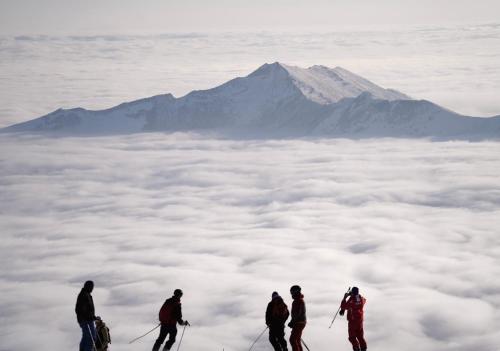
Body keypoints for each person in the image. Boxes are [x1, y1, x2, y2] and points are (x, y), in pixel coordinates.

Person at [339, 287, 367, 351]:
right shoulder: (361, 299)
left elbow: (344, 306)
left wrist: (345, 298)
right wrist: (353, 295)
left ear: (353, 293)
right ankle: (364, 348)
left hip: (353, 321)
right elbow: (364, 299)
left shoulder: (352, 301)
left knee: (352, 337)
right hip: (360, 321)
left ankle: (356, 348)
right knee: (360, 336)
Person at [75, 280, 97, 351]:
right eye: (91, 287)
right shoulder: (84, 295)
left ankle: (82, 349)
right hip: (85, 320)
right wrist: (90, 317)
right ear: (88, 287)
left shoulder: (86, 294)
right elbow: (81, 309)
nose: (92, 289)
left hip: (86, 319)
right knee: (90, 338)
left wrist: (92, 316)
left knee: (86, 337)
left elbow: (87, 309)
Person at [288, 285, 306, 351]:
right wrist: (292, 322)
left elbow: (298, 313)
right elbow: (295, 314)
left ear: (296, 292)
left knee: (292, 340)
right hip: (299, 322)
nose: (291, 294)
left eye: (292, 292)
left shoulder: (299, 301)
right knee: (297, 339)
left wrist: (292, 322)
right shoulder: (296, 301)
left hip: (299, 323)